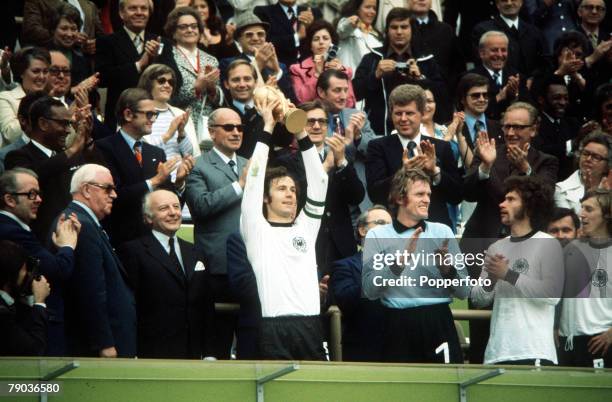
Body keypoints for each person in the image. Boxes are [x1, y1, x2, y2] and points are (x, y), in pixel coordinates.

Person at [461, 101, 559, 363]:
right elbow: (467, 192)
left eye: (519, 126)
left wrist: (527, 171)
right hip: (487, 247)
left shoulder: (546, 161)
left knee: (528, 316)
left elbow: (545, 200)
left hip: (530, 249)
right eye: (506, 126)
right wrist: (485, 166)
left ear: (534, 129)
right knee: (482, 326)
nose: (511, 132)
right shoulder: (489, 151)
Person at [240, 93, 329, 360]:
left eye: (292, 189)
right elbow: (254, 179)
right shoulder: (256, 228)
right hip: (273, 329)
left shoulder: (306, 226)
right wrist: (267, 127)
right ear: (266, 198)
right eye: (281, 188)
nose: (290, 193)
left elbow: (320, 181)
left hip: (312, 326)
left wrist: (301, 133)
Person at [361, 168, 469, 363]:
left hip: (438, 321)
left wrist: (448, 271)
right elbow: (369, 290)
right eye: (419, 194)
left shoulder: (443, 231)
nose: (427, 199)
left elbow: (464, 292)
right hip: (396, 325)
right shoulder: (376, 236)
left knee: (444, 389)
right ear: (400, 198)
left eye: (428, 194)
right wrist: (399, 263)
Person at [471, 176, 563, 365]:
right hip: (497, 353)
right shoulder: (496, 247)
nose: (502, 204)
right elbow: (478, 300)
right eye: (504, 199)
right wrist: (492, 280)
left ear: (528, 206)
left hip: (534, 351)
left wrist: (508, 275)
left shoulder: (548, 243)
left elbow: (552, 294)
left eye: (511, 199)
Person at [118, 189, 215, 359]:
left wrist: (209, 352)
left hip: (192, 353)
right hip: (151, 351)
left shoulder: (196, 251)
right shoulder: (133, 251)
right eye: (164, 208)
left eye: (176, 207)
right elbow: (128, 306)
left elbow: (206, 305)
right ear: (148, 217)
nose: (173, 213)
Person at [273, 100, 365, 274]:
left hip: (341, 246)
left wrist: (342, 163)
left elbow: (357, 196)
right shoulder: (285, 161)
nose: (316, 126)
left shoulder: (339, 153)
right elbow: (295, 199)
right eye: (310, 121)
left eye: (322, 121)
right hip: (308, 244)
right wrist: (325, 168)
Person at [185, 107, 248, 359]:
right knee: (217, 342)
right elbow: (200, 206)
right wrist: (239, 185)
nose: (236, 132)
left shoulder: (249, 163)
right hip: (217, 264)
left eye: (240, 127)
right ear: (212, 132)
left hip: (251, 261)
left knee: (249, 337)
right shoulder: (198, 165)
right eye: (229, 127)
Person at [95, 88, 194, 246]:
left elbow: (168, 202)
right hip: (121, 241)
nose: (153, 119)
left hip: (154, 242)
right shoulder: (104, 148)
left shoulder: (156, 152)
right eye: (148, 114)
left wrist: (179, 183)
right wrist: (154, 181)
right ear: (128, 115)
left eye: (155, 114)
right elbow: (112, 196)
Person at [0, 168, 80, 356]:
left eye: (39, 193)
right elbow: (58, 270)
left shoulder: (16, 227)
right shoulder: (10, 230)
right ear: (10, 200)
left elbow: (43, 262)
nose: (39, 200)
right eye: (31, 194)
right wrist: (68, 245)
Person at [60, 163, 136, 358]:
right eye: (108, 189)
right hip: (100, 345)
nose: (114, 195)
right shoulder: (79, 225)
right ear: (86, 189)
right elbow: (91, 290)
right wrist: (104, 342)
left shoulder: (85, 222)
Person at [365, 84, 462, 229]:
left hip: (435, 231)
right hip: (394, 230)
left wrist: (434, 171)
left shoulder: (441, 147)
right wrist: (402, 173)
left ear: (422, 113)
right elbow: (375, 194)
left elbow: (456, 196)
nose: (403, 119)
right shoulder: (378, 147)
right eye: (398, 113)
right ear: (391, 114)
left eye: (409, 113)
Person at [5, 96, 94, 242]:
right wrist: (73, 149)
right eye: (63, 124)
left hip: (78, 235)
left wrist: (87, 139)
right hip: (44, 241)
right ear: (43, 123)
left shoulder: (66, 155)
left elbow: (101, 174)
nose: (68, 130)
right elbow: (37, 175)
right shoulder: (18, 157)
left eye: (69, 124)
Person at [354, 7, 449, 135]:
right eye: (394, 27)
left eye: (404, 27)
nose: (399, 32)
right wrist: (375, 75)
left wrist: (421, 78)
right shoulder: (372, 58)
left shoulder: (425, 59)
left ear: (412, 30)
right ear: (387, 30)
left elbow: (443, 96)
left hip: (419, 133)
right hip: (379, 131)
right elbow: (355, 93)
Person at [330, 204, 390, 362]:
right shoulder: (344, 266)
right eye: (381, 223)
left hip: (403, 349)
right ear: (362, 230)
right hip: (366, 351)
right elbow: (347, 301)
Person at [559, 189, 612, 367]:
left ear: (607, 214)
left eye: (589, 209)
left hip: (599, 339)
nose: (582, 214)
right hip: (567, 340)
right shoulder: (571, 248)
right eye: (581, 208)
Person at [95, 0, 166, 129]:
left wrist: (154, 61)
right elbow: (102, 78)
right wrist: (139, 65)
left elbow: (170, 78)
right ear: (121, 13)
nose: (139, 13)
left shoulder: (160, 42)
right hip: (121, 116)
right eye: (133, 8)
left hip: (156, 117)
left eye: (143, 9)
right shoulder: (107, 42)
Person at [315, 69, 376, 210]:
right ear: (322, 92)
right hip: (329, 196)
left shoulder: (358, 115)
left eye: (345, 90)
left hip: (361, 196)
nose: (344, 96)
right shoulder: (312, 119)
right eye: (337, 90)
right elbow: (313, 153)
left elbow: (373, 151)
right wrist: (346, 142)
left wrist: (358, 137)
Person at [158, 7, 223, 135]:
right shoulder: (167, 58)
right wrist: (196, 88)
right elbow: (166, 98)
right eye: (183, 27)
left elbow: (219, 100)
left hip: (207, 126)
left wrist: (212, 89)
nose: (190, 30)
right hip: (179, 125)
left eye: (194, 26)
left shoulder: (211, 60)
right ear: (173, 32)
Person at [219, 12, 297, 105]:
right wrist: (257, 65)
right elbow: (228, 98)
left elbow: (291, 100)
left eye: (260, 34)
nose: (256, 38)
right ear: (239, 40)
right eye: (249, 35)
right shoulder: (227, 64)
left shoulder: (280, 66)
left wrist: (276, 71)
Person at [137, 64, 200, 159]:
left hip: (181, 172)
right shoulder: (137, 114)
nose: (167, 85)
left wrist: (181, 133)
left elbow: (191, 155)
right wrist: (168, 134)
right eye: (161, 81)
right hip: (152, 172)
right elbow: (138, 152)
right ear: (149, 84)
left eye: (171, 82)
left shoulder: (180, 114)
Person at [0, 240, 51, 356]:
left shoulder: (8, 303)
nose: (28, 275)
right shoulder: (2, 314)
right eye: (23, 270)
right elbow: (34, 351)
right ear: (11, 276)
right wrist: (39, 302)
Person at [290, 20, 357, 108]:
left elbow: (350, 103)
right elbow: (301, 101)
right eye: (316, 39)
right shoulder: (297, 70)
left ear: (332, 44)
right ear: (310, 46)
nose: (321, 42)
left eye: (325, 38)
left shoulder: (344, 70)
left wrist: (336, 75)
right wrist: (317, 74)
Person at [472, 0, 547, 78]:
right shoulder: (482, 30)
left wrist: (533, 80)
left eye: (514, 0)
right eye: (504, 0)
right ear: (497, 4)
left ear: (521, 2)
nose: (509, 3)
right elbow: (481, 64)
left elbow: (543, 63)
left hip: (532, 87)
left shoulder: (535, 32)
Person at [409, 0, 466, 103]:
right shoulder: (400, 30)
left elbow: (458, 68)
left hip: (443, 99)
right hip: (410, 98)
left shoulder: (446, 30)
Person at [467, 31, 528, 120]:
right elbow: (469, 112)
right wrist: (499, 97)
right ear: (482, 53)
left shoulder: (516, 76)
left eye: (503, 50)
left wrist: (515, 96)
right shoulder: (470, 78)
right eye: (494, 50)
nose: (500, 55)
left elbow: (529, 109)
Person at [531, 75, 580, 180]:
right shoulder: (534, 124)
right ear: (541, 99)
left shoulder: (572, 124)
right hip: (543, 180)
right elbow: (541, 151)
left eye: (566, 98)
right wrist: (573, 144)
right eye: (557, 98)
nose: (563, 103)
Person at [0, 47, 50, 147]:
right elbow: (10, 136)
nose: (42, 77)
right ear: (21, 72)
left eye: (45, 72)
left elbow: (65, 141)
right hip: (16, 159)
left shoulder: (54, 101)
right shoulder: (5, 98)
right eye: (36, 71)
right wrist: (36, 105)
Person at [555, 131, 612, 214]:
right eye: (585, 153)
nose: (588, 159)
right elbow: (572, 224)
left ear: (608, 165)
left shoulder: (609, 188)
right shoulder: (561, 189)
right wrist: (589, 194)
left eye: (596, 157)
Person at [254, 0, 321, 67]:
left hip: (310, 69)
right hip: (278, 69)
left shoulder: (313, 12)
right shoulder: (263, 12)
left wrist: (311, 26)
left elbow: (323, 41)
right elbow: (265, 43)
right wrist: (298, 36)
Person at [22, 0, 103, 49]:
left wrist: (95, 44)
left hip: (85, 64)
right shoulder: (37, 1)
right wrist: (69, 37)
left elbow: (100, 35)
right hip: (51, 61)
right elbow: (31, 30)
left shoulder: (90, 5)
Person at [48, 3, 94, 87]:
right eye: (64, 28)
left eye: (73, 29)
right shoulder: (41, 56)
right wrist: (73, 91)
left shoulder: (83, 59)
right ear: (53, 29)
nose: (69, 34)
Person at [336, 0, 383, 73]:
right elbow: (342, 30)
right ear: (357, 8)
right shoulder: (349, 28)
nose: (372, 11)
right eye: (367, 7)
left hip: (369, 81)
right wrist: (351, 23)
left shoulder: (377, 35)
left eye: (374, 8)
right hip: (348, 81)